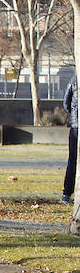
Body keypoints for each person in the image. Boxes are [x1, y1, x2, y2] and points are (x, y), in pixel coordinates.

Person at [61, 75, 77, 205]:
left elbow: (66, 104)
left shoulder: (74, 80)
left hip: (76, 126)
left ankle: (67, 194)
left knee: (72, 160)